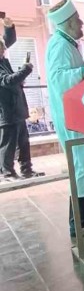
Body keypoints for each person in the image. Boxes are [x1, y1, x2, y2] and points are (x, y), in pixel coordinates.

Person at [44, 0, 84, 237]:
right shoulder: (59, 45)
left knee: (82, 168)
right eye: (77, 20)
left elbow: (70, 71)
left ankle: (83, 219)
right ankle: (78, 224)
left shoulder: (67, 43)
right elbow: (59, 79)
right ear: (69, 23)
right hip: (71, 118)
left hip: (77, 115)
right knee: (80, 168)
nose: (81, 23)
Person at [1, 18, 35, 181]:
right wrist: (25, 70)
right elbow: (7, 81)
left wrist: (9, 27)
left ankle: (26, 169)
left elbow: (8, 40)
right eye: (2, 47)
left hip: (16, 109)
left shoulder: (3, 61)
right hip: (7, 112)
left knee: (23, 142)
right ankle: (7, 172)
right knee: (8, 144)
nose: (4, 49)